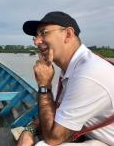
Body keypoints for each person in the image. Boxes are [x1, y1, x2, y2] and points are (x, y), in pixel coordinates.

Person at [17, 11, 114, 145]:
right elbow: (55, 111)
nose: (37, 42)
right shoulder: (71, 69)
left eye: (44, 33)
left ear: (68, 34)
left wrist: (44, 86)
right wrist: (29, 130)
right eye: (35, 36)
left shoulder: (88, 73)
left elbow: (53, 138)